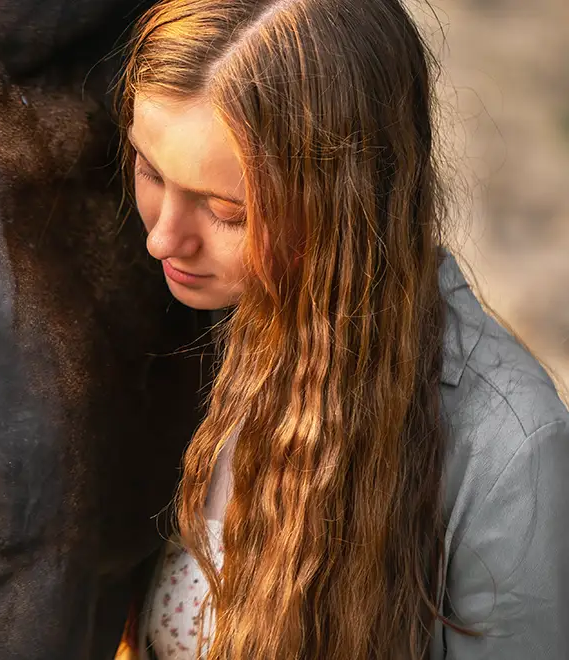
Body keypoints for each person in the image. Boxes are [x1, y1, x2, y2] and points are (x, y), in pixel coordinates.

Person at [116, 0, 569, 658]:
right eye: (151, 172)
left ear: (347, 202)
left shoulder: (506, 451)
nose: (162, 239)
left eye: (226, 212)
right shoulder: (174, 328)